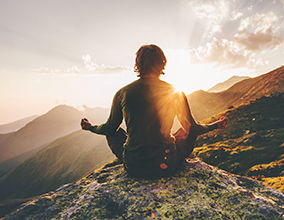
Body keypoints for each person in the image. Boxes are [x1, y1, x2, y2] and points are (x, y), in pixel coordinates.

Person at [81, 44, 227, 179]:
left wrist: (90, 127)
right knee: (186, 131)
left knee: (114, 131)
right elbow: (193, 129)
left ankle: (136, 156)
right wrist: (216, 125)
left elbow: (108, 128)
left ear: (138, 64)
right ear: (163, 63)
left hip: (134, 167)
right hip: (166, 165)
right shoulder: (175, 92)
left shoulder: (123, 93)